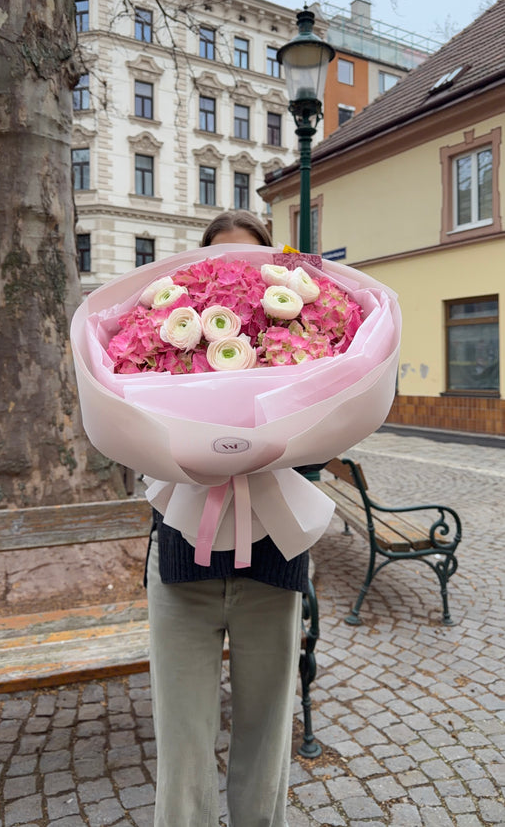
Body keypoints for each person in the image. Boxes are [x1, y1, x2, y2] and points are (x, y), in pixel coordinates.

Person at [146, 210, 309, 827]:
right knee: (182, 744)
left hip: (273, 564)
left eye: (247, 261)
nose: (233, 275)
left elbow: (324, 446)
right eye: (219, 264)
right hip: (184, 561)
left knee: (267, 739)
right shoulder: (171, 334)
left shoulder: (301, 341)